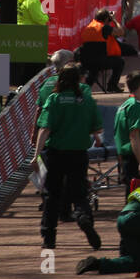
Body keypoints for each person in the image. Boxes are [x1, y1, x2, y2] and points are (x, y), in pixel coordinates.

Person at [34, 64, 104, 252]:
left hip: (56, 153)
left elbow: (45, 129)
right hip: (79, 153)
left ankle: (49, 238)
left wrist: (36, 155)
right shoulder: (87, 101)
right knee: (80, 193)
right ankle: (84, 218)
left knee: (52, 195)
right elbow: (97, 128)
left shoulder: (54, 100)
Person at [114, 72, 140, 190]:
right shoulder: (135, 106)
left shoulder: (123, 106)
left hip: (126, 157)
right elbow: (134, 135)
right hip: (136, 158)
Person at [80, 9, 128, 93]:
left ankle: (86, 88)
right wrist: (114, 20)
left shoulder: (88, 27)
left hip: (85, 61)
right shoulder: (103, 27)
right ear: (106, 19)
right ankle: (112, 85)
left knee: (94, 70)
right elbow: (121, 32)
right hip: (100, 61)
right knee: (120, 62)